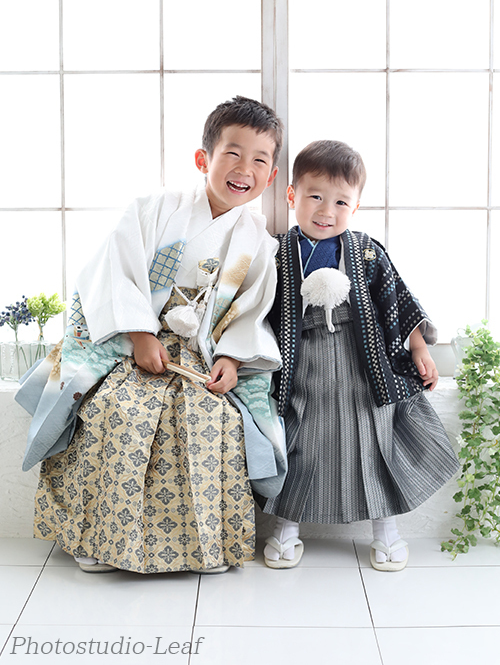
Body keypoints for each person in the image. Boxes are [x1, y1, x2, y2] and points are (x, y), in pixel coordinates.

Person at [17, 96, 287, 574]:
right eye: (232, 153)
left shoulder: (258, 243)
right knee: (116, 413)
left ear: (271, 176)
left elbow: (251, 312)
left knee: (214, 424)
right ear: (203, 159)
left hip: (200, 356)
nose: (244, 168)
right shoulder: (155, 210)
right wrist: (142, 335)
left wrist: (232, 359)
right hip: (133, 344)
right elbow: (113, 272)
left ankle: (204, 545)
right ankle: (97, 540)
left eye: (259, 160)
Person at [261, 140, 459, 571]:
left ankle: (386, 530)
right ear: (292, 195)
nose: (326, 211)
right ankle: (287, 526)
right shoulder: (274, 253)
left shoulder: (366, 249)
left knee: (374, 440)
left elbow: (396, 300)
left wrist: (419, 347)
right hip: (301, 362)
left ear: (356, 206)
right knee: (298, 440)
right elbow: (257, 309)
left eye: (340, 202)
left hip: (361, 361)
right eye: (315, 196)